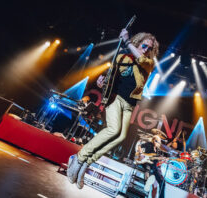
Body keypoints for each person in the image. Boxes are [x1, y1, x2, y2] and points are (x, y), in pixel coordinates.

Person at [67, 28, 159, 189]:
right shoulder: (123, 57)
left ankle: (86, 163)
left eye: (150, 48)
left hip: (129, 104)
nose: (147, 50)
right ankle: (79, 157)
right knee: (113, 129)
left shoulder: (148, 63)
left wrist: (127, 41)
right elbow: (112, 78)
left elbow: (141, 59)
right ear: (138, 43)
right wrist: (103, 82)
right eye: (145, 46)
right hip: (116, 98)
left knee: (121, 136)